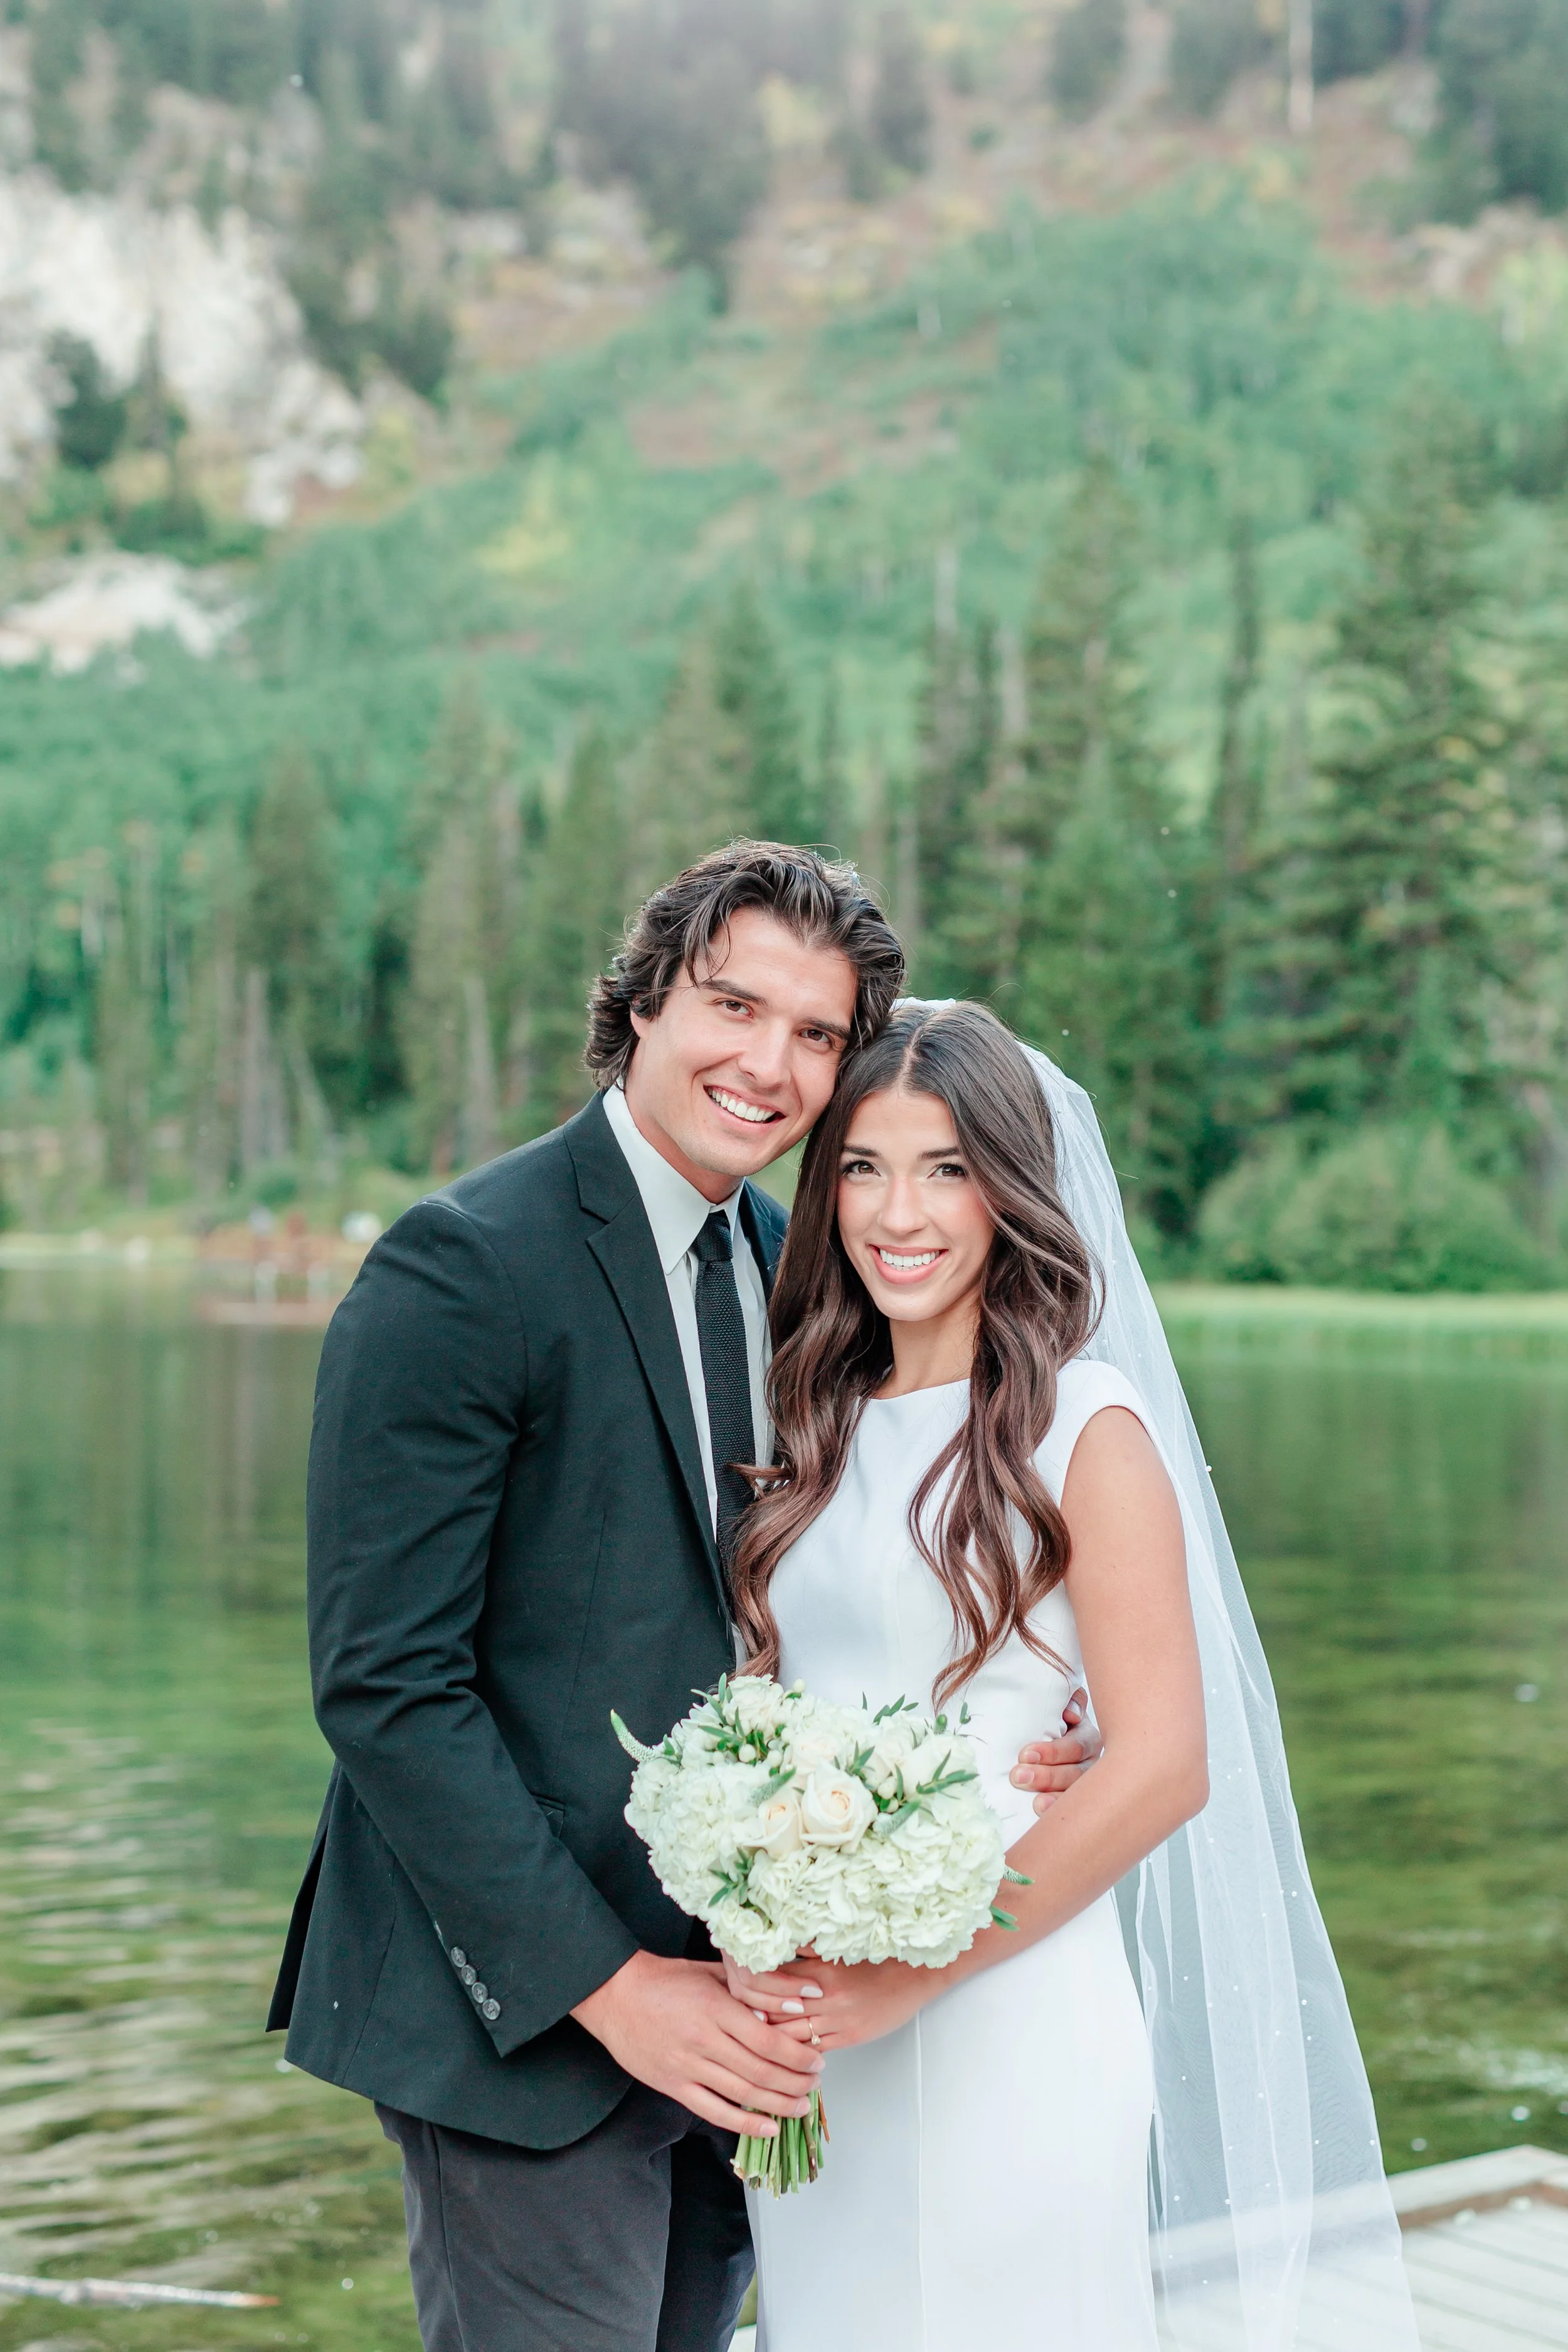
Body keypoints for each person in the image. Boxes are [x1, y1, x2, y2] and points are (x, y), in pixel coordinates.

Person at [267, 845, 1099, 2352]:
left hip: (749, 2005)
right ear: (645, 1001)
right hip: (526, 2021)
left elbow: (848, 1590)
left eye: (816, 1036)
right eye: (732, 1005)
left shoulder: (795, 1269)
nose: (767, 1064)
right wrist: (613, 1990)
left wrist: (1027, 1717)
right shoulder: (464, 1266)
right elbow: (384, 1688)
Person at [725, 1000, 1420, 2352]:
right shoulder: (806, 1412)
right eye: (862, 1166)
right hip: (815, 2028)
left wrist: (910, 1979)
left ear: (1011, 1190)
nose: (896, 1212)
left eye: (945, 1169)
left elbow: (1161, 1764)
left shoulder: (1080, 1426)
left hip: (1007, 2007)